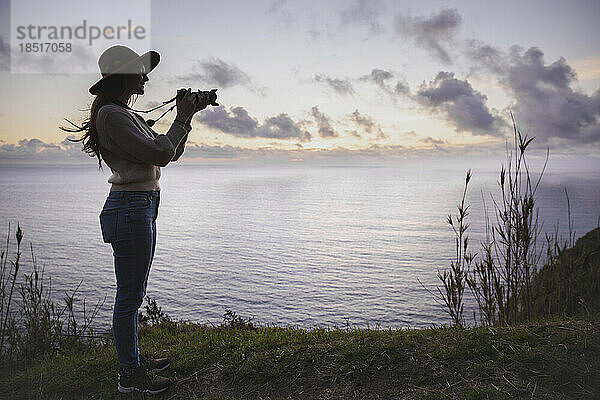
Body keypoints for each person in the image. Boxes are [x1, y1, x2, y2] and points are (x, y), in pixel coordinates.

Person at [62, 44, 209, 394]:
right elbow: (161, 152)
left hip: (140, 205)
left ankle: (134, 362)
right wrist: (181, 117)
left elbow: (168, 152)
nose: (145, 77)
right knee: (129, 296)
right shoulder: (112, 115)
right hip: (130, 207)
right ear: (125, 76)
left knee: (134, 292)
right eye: (140, 71)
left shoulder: (123, 115)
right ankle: (130, 375)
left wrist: (186, 118)